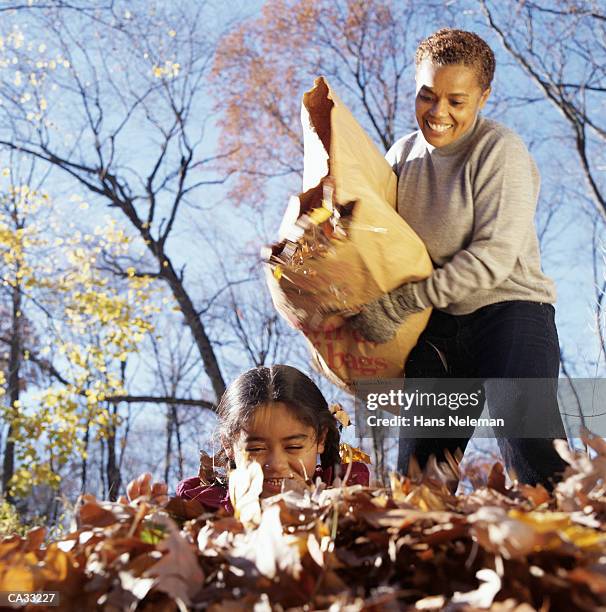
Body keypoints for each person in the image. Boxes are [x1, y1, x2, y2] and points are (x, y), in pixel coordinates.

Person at [350, 28, 568, 489]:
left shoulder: (498, 151)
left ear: (483, 96)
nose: (438, 112)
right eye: (427, 96)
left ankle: (571, 549)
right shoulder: (402, 156)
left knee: (529, 441)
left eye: (456, 100)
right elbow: (376, 242)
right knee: (417, 477)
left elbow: (493, 258)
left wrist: (402, 304)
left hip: (510, 313)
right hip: (438, 328)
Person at [126, 365, 369, 512]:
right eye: (256, 448)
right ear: (229, 445)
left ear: (321, 439)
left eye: (294, 446)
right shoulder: (200, 508)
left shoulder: (349, 499)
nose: (276, 463)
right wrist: (148, 524)